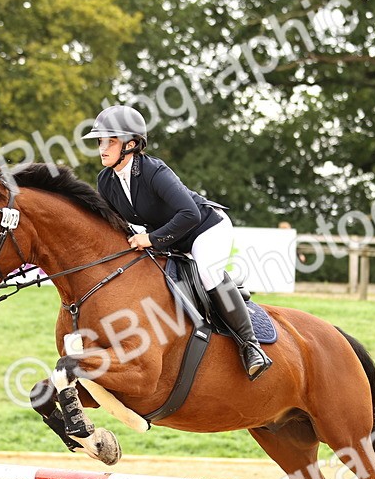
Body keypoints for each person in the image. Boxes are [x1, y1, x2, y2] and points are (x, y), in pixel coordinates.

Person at [84, 105, 272, 380]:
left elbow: (190, 214)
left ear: (132, 144)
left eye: (110, 140)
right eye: (101, 141)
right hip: (169, 238)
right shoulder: (106, 181)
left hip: (205, 228)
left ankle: (250, 346)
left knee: (209, 274)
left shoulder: (154, 171)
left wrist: (151, 239)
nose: (103, 148)